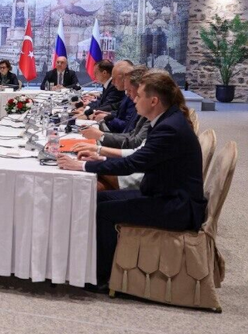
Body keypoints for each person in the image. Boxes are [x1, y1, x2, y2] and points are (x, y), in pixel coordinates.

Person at [57, 72, 205, 289]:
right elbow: (138, 158)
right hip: (164, 193)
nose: (134, 100)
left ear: (153, 101)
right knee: (98, 199)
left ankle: (101, 277)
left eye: (139, 96)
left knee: (103, 211)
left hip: (176, 206)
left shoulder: (169, 128)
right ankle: (88, 263)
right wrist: (100, 158)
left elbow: (133, 164)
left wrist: (83, 166)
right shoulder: (166, 120)